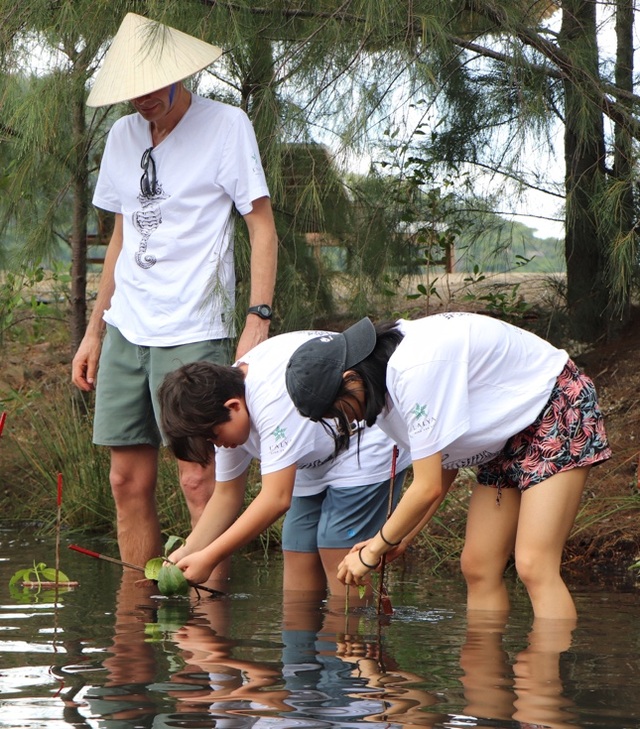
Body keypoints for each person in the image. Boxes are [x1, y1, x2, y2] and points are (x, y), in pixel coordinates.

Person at [71, 13, 278, 569]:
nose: (142, 100)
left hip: (195, 327)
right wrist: (95, 330)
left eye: (150, 86)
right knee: (125, 480)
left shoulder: (226, 125)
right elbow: (122, 235)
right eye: (130, 92)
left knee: (197, 480)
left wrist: (258, 318)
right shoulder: (122, 136)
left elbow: (261, 225)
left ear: (177, 75)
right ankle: (141, 617)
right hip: (126, 328)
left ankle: (209, 628)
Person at [285, 312, 612, 619]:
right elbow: (444, 464)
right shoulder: (382, 386)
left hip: (552, 406)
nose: (344, 421)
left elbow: (427, 486)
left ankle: (543, 675)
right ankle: (483, 674)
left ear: (350, 378)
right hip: (503, 435)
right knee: (477, 565)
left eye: (335, 411)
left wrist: (372, 552)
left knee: (534, 565)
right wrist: (400, 538)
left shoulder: (413, 369)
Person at [157, 330, 410, 599]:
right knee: (297, 545)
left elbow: (276, 498)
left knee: (337, 545)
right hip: (312, 453)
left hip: (364, 436)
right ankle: (299, 639)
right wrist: (188, 550)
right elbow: (226, 494)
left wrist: (210, 557)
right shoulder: (218, 405)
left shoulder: (271, 401)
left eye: (214, 437)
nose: (217, 445)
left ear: (233, 406)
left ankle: (349, 634)